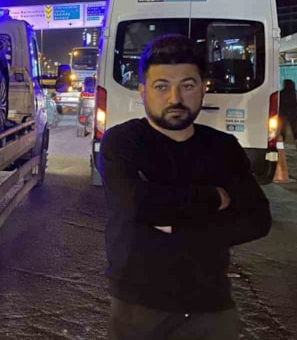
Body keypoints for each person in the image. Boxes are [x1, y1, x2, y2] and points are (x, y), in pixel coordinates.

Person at [98, 34, 272, 340]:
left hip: (212, 306)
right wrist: (214, 197)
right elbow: (137, 205)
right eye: (161, 86)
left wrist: (173, 226)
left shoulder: (223, 147)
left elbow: (257, 220)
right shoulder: (122, 142)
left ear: (203, 87)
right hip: (138, 307)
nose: (174, 98)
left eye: (187, 85)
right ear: (143, 91)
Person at [279, 79, 297, 151]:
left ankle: (281, 146)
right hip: (294, 113)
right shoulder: (295, 93)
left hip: (283, 113)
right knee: (295, 129)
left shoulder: (281, 93)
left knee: (282, 130)